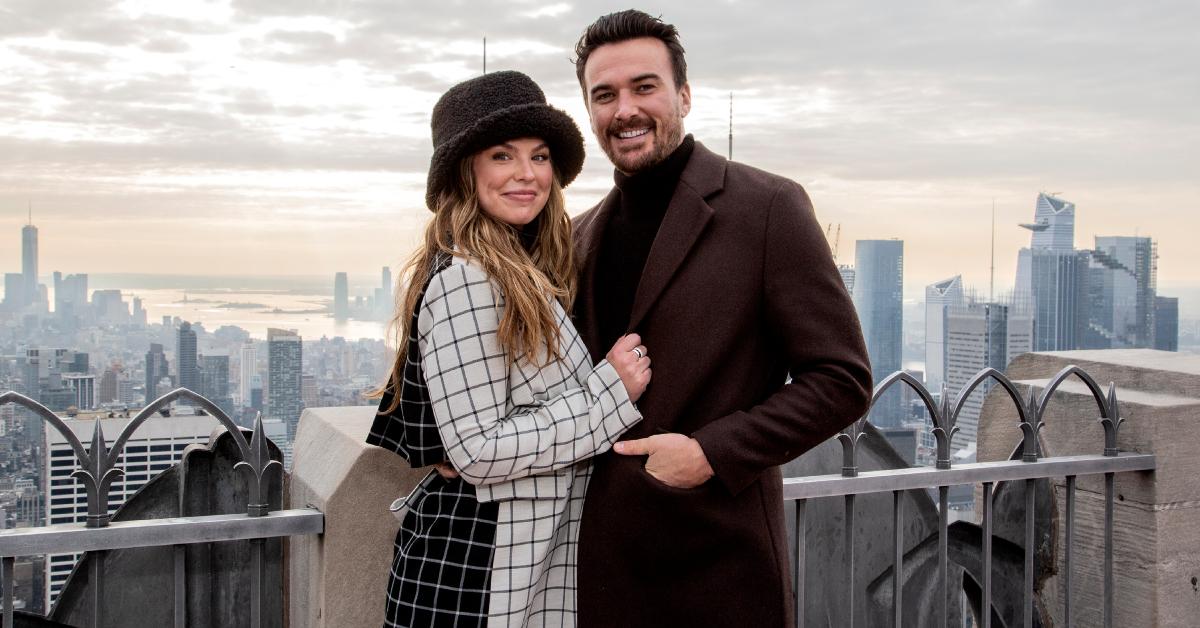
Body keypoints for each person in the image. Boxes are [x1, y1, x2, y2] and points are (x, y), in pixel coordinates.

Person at [569, 10, 874, 628]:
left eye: (644, 87)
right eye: (605, 95)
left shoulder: (768, 208)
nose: (624, 109)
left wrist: (710, 451)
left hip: (718, 567)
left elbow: (842, 379)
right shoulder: (576, 236)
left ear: (683, 94)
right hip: (597, 574)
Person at [366, 70, 649, 628]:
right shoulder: (467, 278)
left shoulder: (521, 271)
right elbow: (474, 450)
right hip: (476, 571)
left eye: (539, 156)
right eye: (502, 156)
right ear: (464, 172)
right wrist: (608, 393)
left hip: (509, 561)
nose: (527, 175)